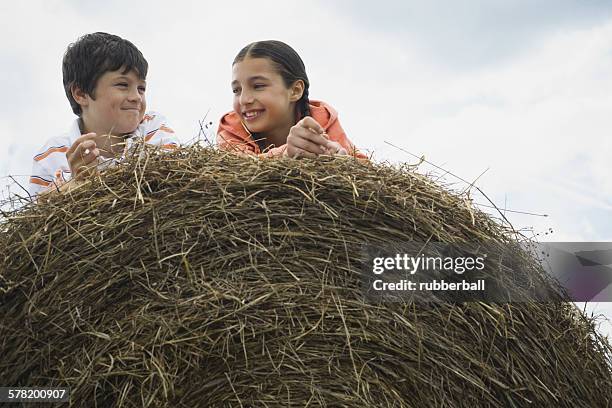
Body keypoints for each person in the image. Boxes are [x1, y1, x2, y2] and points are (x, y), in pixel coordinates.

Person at [28, 32, 179, 198]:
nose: (136, 97)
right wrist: (76, 182)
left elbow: (171, 175)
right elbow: (38, 216)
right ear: (81, 94)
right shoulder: (52, 155)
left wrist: (99, 179)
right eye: (123, 85)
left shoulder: (153, 128)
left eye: (141, 88)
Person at [217, 40, 366, 159]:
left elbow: (364, 169)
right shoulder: (231, 128)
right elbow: (239, 167)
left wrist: (341, 160)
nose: (244, 100)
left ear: (295, 90)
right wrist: (286, 153)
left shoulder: (321, 120)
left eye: (258, 86)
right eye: (236, 90)